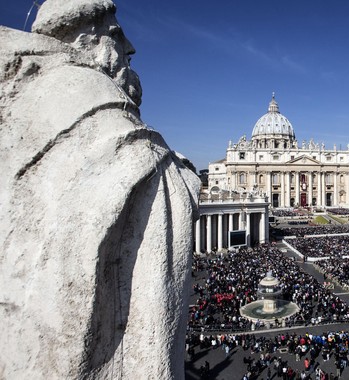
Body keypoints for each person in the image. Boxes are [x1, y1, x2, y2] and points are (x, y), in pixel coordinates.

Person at [0, 0, 200, 378]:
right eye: (117, 36)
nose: (131, 51)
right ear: (93, 37)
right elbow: (162, 181)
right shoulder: (94, 104)